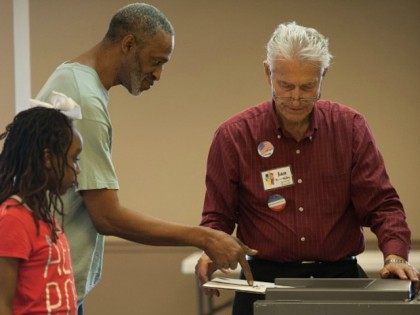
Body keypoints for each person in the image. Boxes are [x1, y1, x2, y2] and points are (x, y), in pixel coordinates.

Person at [36, 3, 255, 312]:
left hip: (52, 283)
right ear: (128, 44)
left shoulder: (71, 78)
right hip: (48, 289)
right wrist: (203, 237)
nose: (158, 74)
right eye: (156, 61)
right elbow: (106, 216)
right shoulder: (84, 100)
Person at [195, 21, 419, 315]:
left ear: (323, 76)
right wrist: (210, 247)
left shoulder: (349, 128)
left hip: (339, 278)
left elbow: (382, 205)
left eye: (308, 86)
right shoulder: (235, 136)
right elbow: (218, 215)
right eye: (286, 85)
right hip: (265, 279)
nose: (297, 97)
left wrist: (396, 256)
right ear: (268, 73)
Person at [0, 98, 83, 315]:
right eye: (74, 159)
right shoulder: (13, 219)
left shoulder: (43, 217)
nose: (78, 169)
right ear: (48, 158)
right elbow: (2, 303)